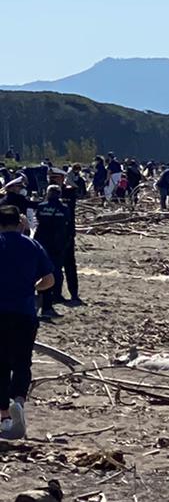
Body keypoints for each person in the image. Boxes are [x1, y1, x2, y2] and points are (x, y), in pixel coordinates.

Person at [0, 205, 55, 439]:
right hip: (25, 312)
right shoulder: (32, 245)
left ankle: (4, 414)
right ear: (19, 222)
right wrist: (33, 287)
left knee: (0, 363)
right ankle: (19, 401)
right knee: (23, 361)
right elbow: (50, 279)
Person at [32, 186, 72, 317]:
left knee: (39, 273)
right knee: (54, 273)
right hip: (57, 244)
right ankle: (49, 305)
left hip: (42, 243)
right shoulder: (64, 208)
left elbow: (38, 220)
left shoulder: (41, 207)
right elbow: (68, 225)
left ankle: (41, 303)